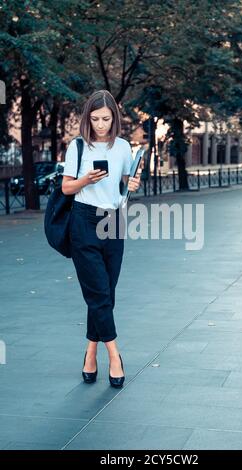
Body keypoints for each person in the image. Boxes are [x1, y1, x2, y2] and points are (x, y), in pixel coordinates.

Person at [61, 90, 140, 388]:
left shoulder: (122, 147)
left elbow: (125, 184)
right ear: (87, 119)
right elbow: (67, 188)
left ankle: (90, 353)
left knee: (106, 292)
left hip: (114, 222)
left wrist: (133, 182)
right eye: (95, 119)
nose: (101, 124)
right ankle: (115, 356)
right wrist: (86, 180)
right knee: (99, 293)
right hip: (83, 220)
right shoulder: (77, 146)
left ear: (114, 118)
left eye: (106, 119)